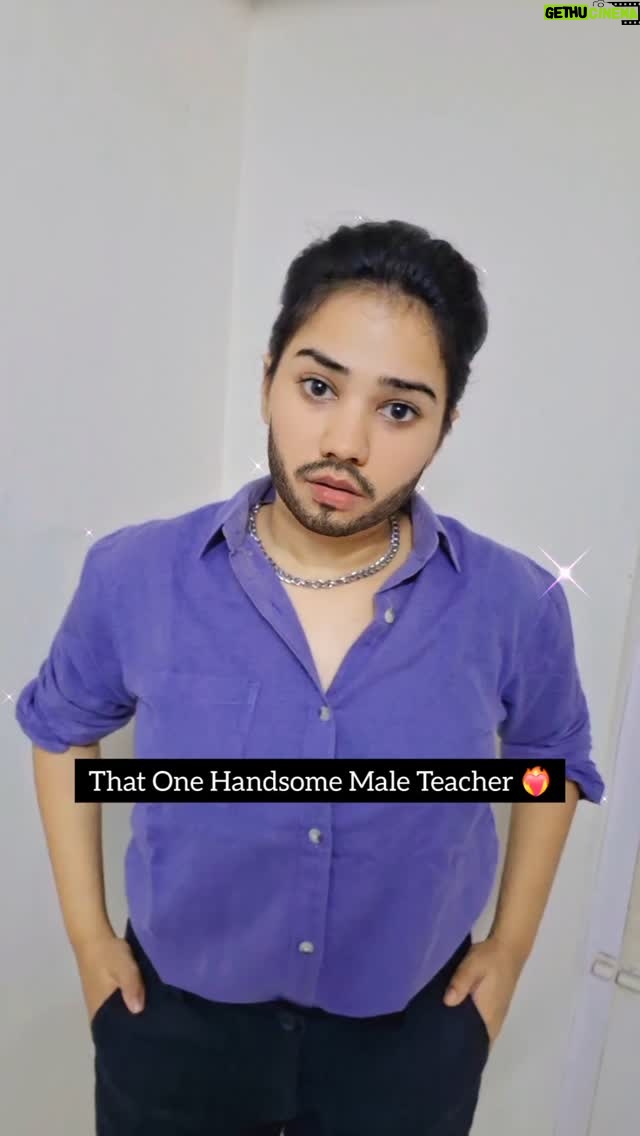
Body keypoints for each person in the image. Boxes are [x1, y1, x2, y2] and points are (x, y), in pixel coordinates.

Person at [15, 219, 606, 1136]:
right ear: (268, 378)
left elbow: (550, 762)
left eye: (399, 410)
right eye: (319, 386)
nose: (346, 441)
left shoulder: (513, 602)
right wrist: (91, 940)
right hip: (176, 1027)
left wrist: (513, 949)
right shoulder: (137, 574)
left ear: (445, 426)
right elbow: (61, 728)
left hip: (408, 1039)